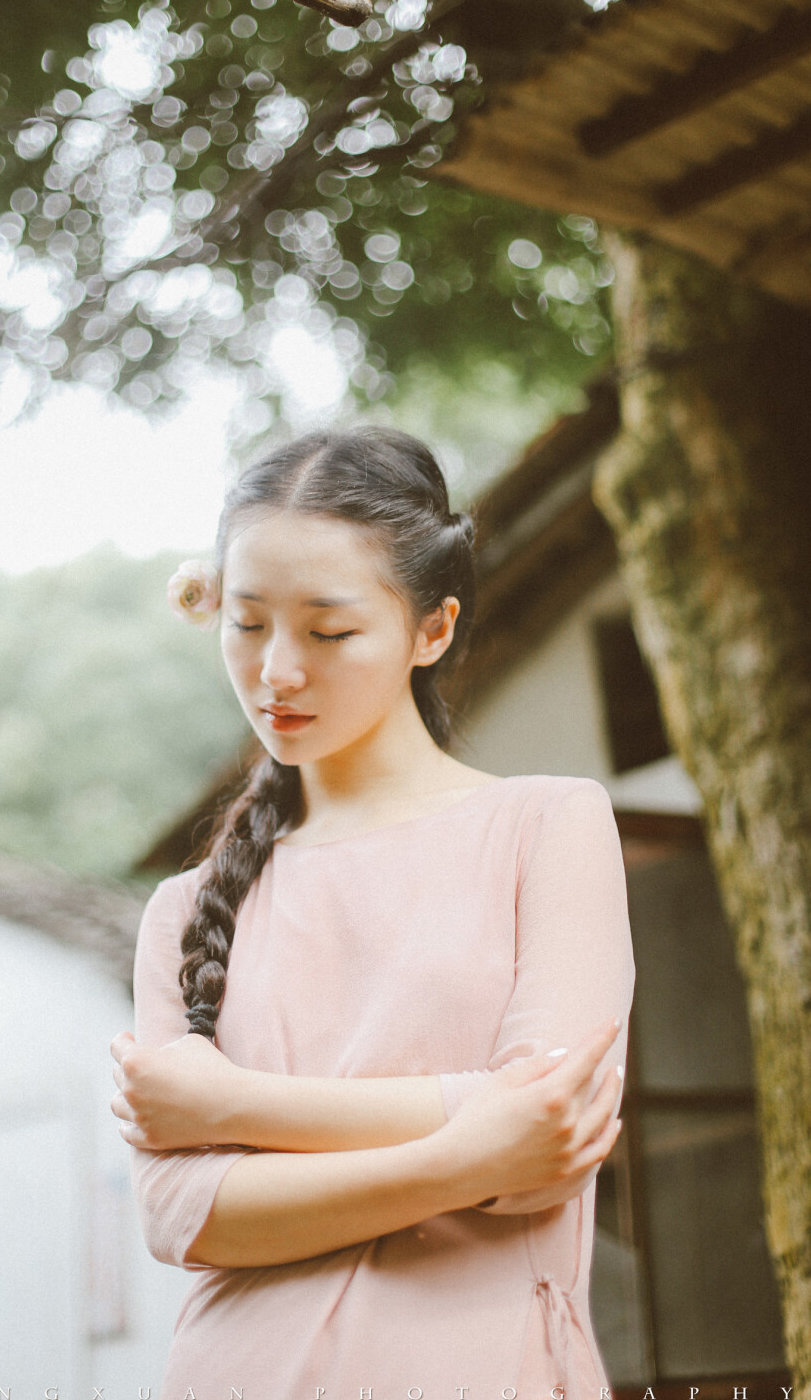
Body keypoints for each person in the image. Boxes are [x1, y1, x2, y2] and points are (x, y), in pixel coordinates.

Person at [109, 423, 635, 1400]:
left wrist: (232, 1107)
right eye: (248, 622)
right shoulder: (184, 911)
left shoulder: (547, 827)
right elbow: (183, 1214)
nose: (277, 673)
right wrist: (466, 1149)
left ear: (431, 628)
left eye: (329, 630)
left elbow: (546, 1149)